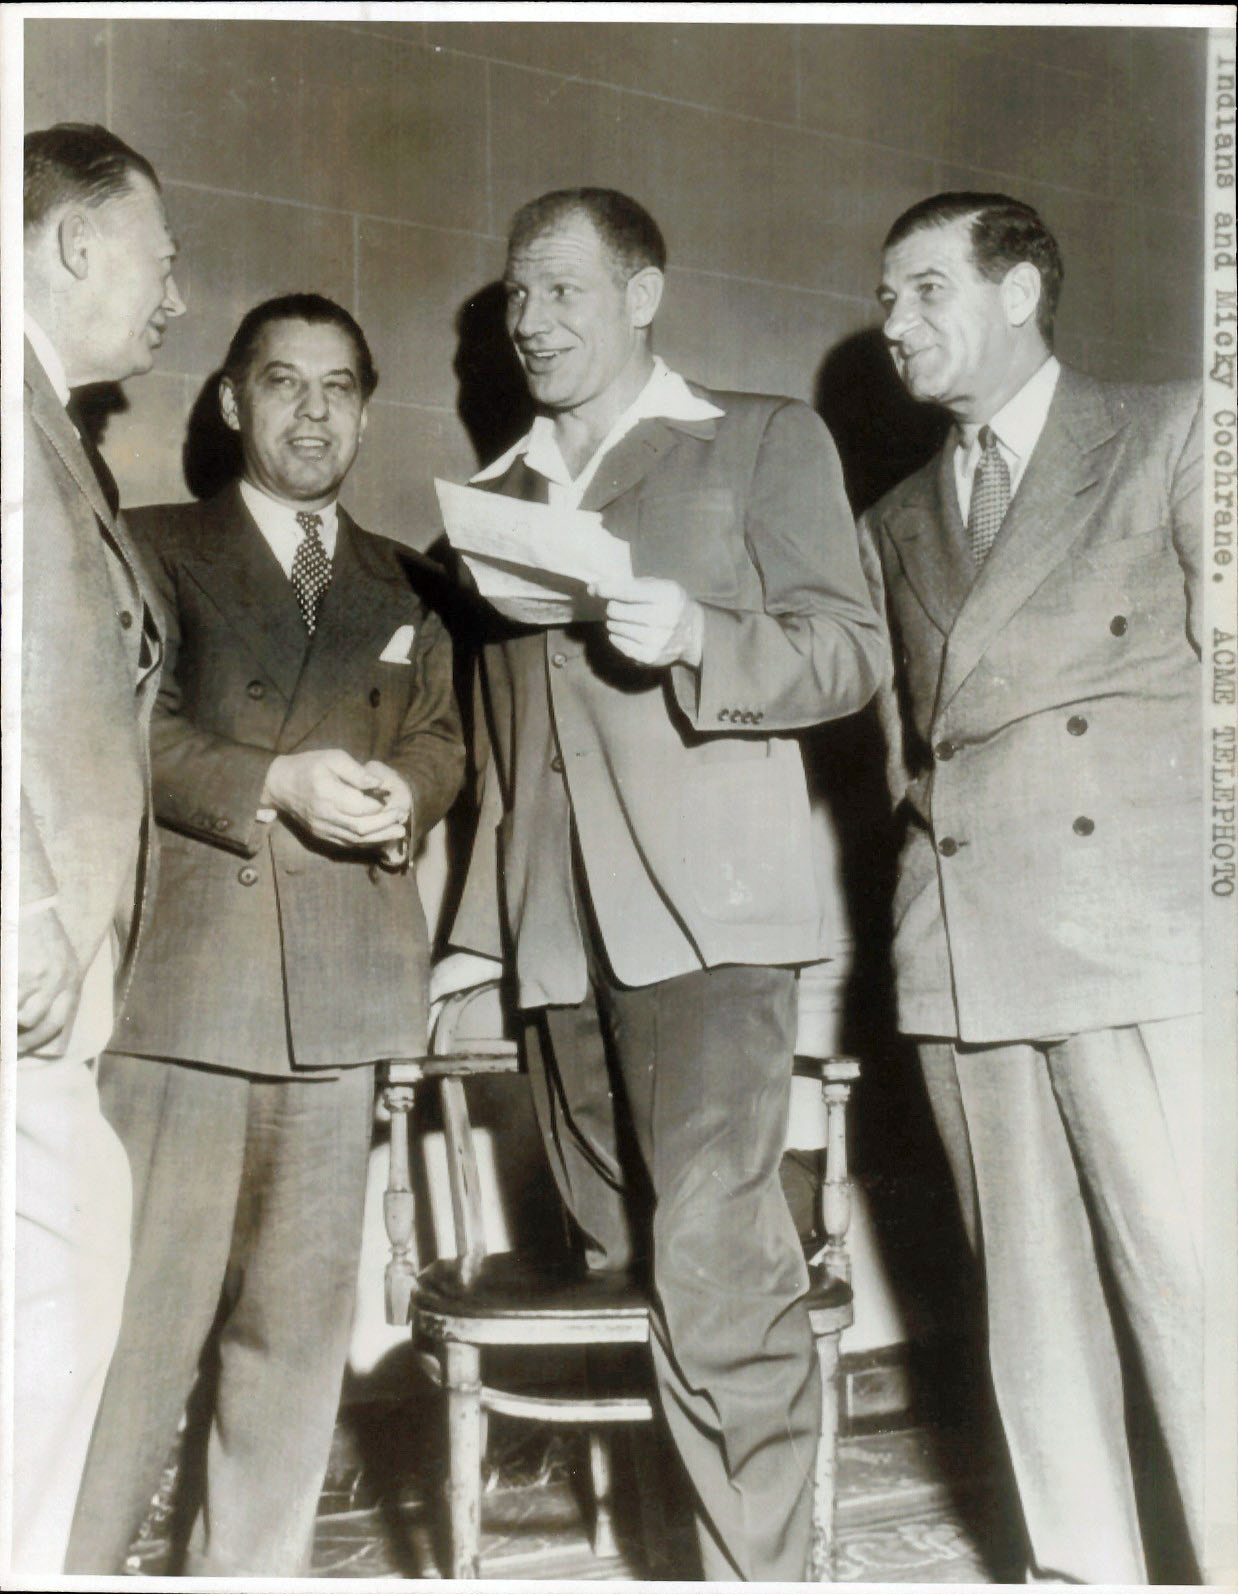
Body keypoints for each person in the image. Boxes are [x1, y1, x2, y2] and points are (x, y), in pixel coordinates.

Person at [439, 187, 884, 1581]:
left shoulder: (755, 439)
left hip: (711, 928)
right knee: (622, 1268)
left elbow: (848, 653)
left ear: (643, 294)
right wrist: (474, 945)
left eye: (564, 288)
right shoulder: (496, 499)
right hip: (557, 946)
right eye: (517, 295)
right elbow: (509, 751)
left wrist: (699, 631)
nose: (532, 320)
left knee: (714, 1272)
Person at [64, 294, 465, 1575]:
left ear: (364, 407)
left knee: (294, 1346)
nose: (310, 411)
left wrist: (412, 792)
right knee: (136, 1337)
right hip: (190, 993)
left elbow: (442, 738)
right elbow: (117, 731)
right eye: (281, 383)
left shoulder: (406, 580)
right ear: (231, 401)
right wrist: (274, 784)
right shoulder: (149, 546)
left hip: (343, 996)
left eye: (338, 386)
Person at [860, 191, 1205, 1582]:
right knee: (1030, 1307)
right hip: (964, 946)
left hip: (1143, 933)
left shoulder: (1172, 429)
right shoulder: (891, 515)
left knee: (1198, 1292)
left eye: (924, 289)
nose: (892, 323)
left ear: (1017, 292)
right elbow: (900, 754)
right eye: (883, 300)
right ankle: (1078, 1565)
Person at [15, 123, 184, 1574]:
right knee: (54, 1300)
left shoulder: (47, 423)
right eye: (160, 257)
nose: (172, 299)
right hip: (25, 962)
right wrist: (19, 912)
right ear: (75, 242)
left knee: (60, 1297)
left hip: (62, 963)